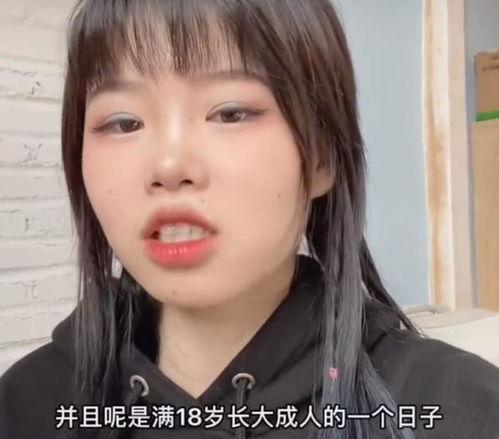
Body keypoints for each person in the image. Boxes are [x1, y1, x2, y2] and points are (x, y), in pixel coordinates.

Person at [1, 0, 498, 438]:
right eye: (123, 122)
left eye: (230, 113)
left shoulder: (456, 409)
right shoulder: (25, 408)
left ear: (321, 158)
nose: (169, 166)